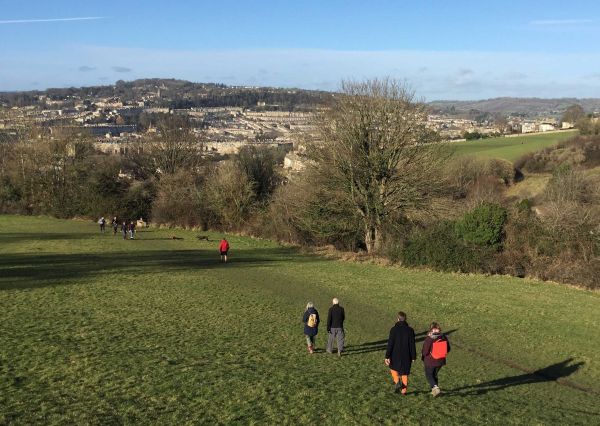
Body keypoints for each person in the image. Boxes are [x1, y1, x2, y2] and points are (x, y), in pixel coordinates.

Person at [385, 311, 416, 395]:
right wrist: (413, 356)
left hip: (395, 354)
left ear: (398, 319)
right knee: (404, 372)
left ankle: (397, 381)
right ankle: (403, 391)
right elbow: (412, 344)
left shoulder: (393, 329)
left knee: (393, 368)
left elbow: (390, 343)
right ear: (405, 319)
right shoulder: (410, 330)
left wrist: (387, 356)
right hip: (407, 355)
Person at [422, 322, 451, 397]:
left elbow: (425, 352)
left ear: (431, 330)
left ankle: (435, 387)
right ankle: (434, 391)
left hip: (430, 361)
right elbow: (448, 349)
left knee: (429, 374)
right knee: (434, 375)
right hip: (441, 360)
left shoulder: (429, 338)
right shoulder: (443, 337)